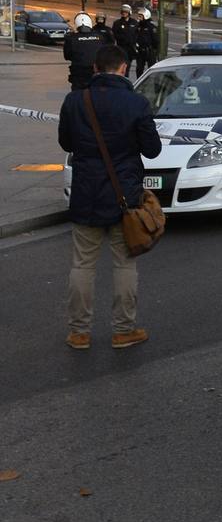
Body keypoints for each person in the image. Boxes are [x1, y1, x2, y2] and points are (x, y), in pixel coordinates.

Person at [57, 44, 162, 350]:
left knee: (82, 265)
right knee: (125, 265)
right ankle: (123, 330)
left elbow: (66, 142)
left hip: (86, 193)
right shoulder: (136, 103)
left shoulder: (75, 101)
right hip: (125, 197)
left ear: (95, 69)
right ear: (124, 68)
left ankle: (78, 332)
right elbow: (152, 149)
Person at [64, 12, 105, 91]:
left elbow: (67, 56)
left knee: (77, 97)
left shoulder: (71, 38)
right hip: (96, 74)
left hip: (79, 75)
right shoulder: (99, 37)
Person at [135, 7, 157, 77]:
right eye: (139, 16)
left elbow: (155, 40)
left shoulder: (151, 27)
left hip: (149, 51)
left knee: (152, 69)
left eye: (140, 16)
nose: (139, 18)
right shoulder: (138, 26)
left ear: (146, 16)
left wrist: (153, 50)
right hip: (140, 51)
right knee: (139, 69)